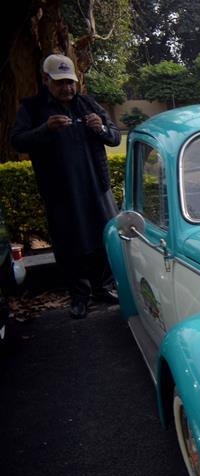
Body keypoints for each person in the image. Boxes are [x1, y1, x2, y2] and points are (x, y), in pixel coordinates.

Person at [12, 54, 121, 319]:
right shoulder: (33, 108)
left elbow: (115, 137)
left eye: (70, 82)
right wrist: (45, 129)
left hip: (96, 186)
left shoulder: (87, 104)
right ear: (46, 80)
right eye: (60, 83)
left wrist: (102, 128)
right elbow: (18, 141)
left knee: (104, 237)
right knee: (69, 243)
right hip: (61, 190)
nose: (67, 88)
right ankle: (79, 296)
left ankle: (103, 288)